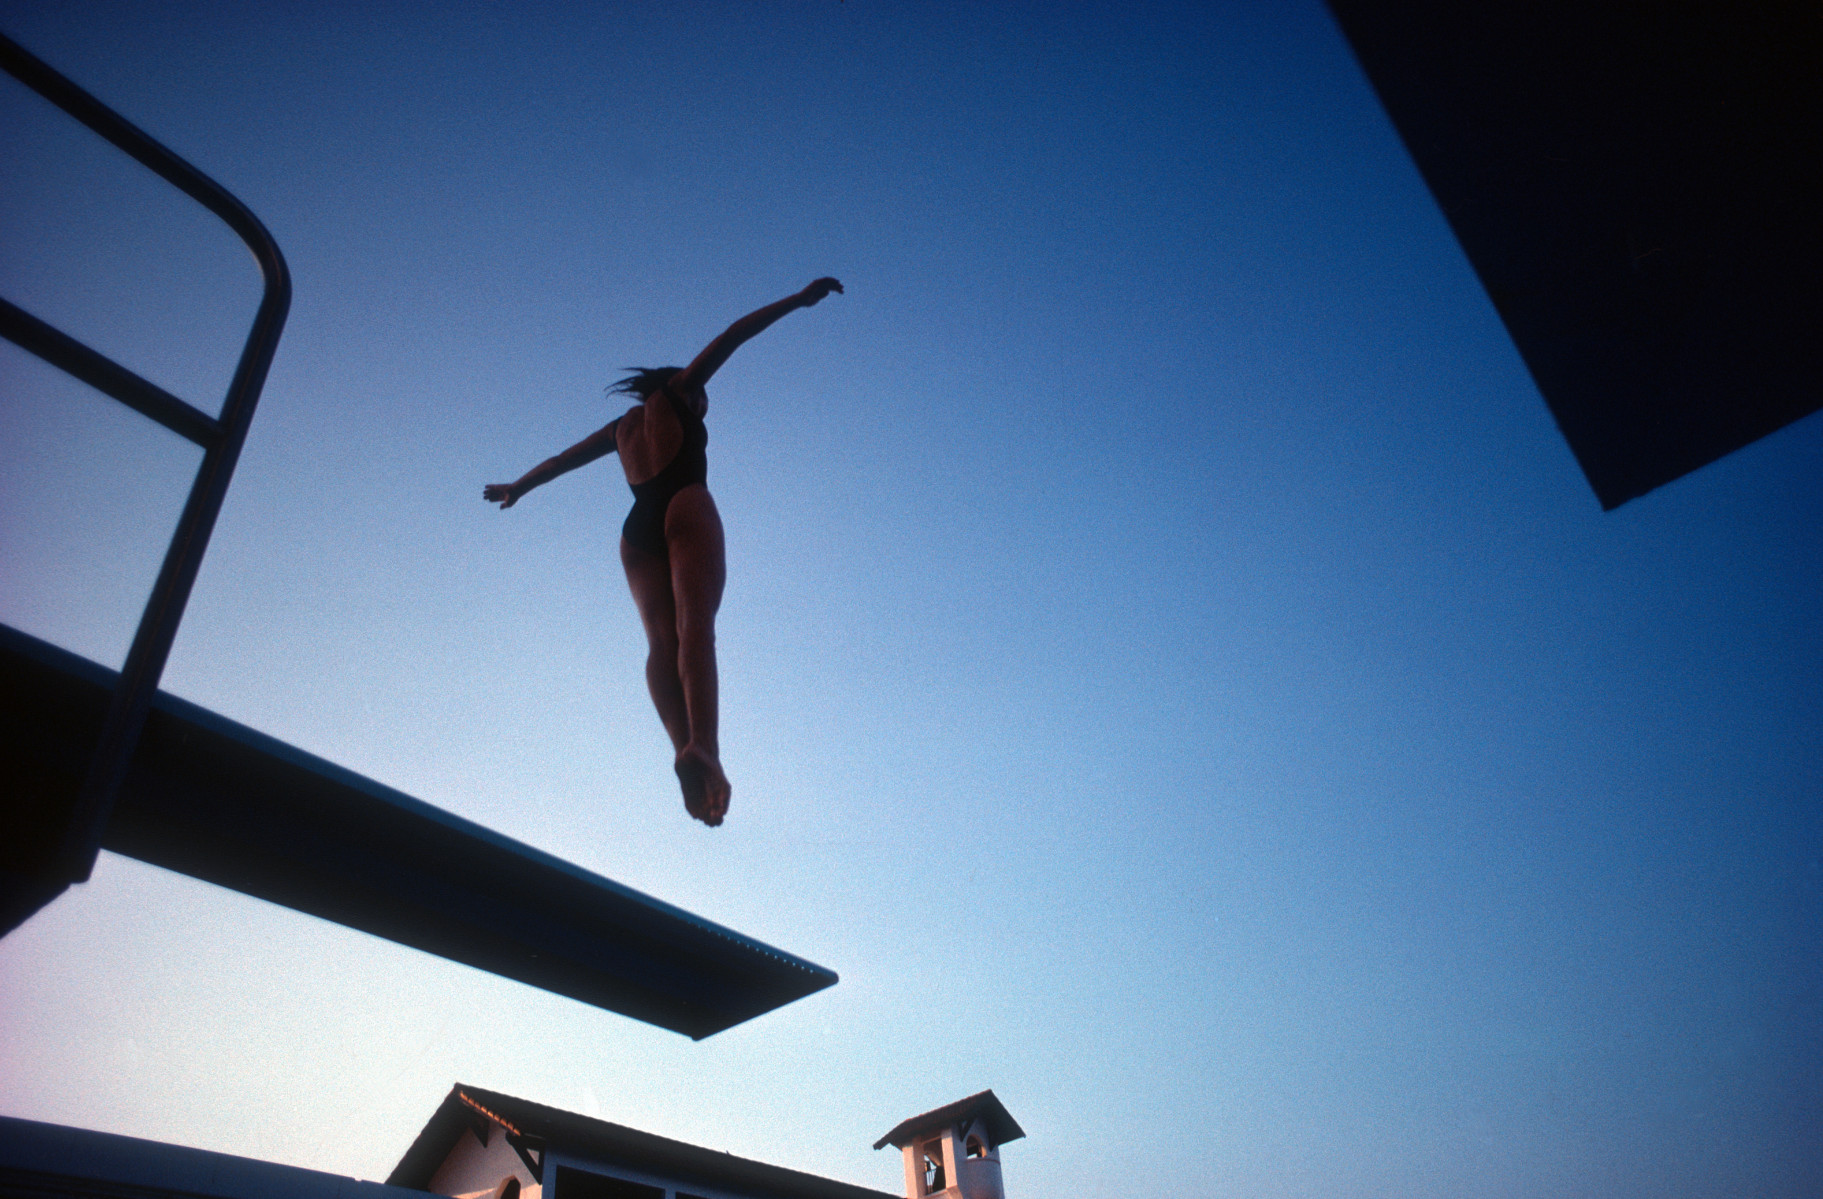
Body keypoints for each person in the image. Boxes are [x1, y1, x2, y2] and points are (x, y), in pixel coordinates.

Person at [484, 278, 842, 825]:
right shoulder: (679, 391)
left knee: (660, 640)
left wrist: (518, 487)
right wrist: (799, 300)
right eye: (705, 401)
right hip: (683, 502)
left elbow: (560, 462)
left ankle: (681, 744)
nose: (704, 406)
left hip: (637, 528)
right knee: (697, 626)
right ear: (686, 389)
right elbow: (732, 336)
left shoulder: (621, 427)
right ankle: (706, 746)